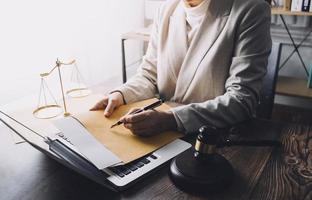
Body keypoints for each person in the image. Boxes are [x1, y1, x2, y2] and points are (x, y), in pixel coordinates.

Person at [91, 0, 272, 136]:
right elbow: (149, 74)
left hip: (212, 138)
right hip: (159, 133)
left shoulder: (251, 10)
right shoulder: (166, 8)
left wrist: (172, 119)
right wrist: (121, 95)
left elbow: (241, 100)